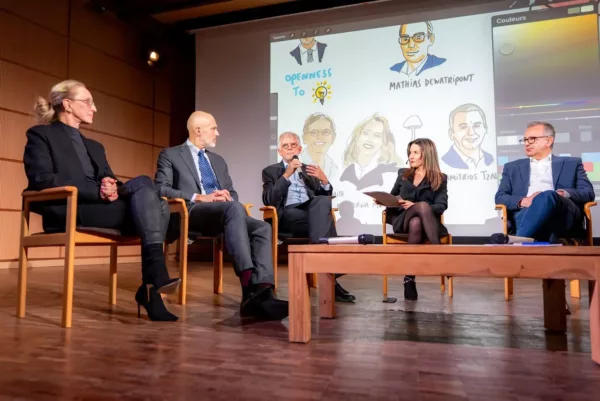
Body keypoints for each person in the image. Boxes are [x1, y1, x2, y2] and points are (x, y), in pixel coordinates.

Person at [23, 80, 180, 322]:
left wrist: (111, 186)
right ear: (67, 104)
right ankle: (153, 284)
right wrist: (98, 191)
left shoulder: (95, 146)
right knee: (159, 210)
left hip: (102, 207)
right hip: (69, 206)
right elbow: (41, 178)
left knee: (147, 190)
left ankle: (153, 283)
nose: (94, 108)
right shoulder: (41, 135)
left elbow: (109, 180)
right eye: (88, 102)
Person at [155, 111, 288, 321]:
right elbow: (161, 188)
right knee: (234, 209)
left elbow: (232, 193)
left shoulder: (218, 160)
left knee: (262, 227)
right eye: (214, 128)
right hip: (192, 211)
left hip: (224, 213)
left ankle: (264, 291)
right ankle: (248, 286)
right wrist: (201, 197)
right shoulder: (170, 155)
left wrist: (226, 196)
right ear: (198, 130)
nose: (218, 133)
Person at [262, 132, 355, 302]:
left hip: (309, 214)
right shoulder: (270, 171)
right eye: (285, 146)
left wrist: (324, 181)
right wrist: (287, 174)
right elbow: (269, 199)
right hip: (288, 214)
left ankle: (321, 264)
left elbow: (323, 201)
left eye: (293, 145)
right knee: (323, 219)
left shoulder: (308, 170)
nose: (289, 149)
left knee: (322, 201)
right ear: (280, 151)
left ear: (299, 149)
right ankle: (331, 278)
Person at [493, 121, 595, 243]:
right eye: (525, 140)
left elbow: (588, 193)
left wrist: (561, 194)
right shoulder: (512, 167)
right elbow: (500, 197)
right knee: (544, 223)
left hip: (563, 215)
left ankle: (517, 243)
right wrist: (523, 201)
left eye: (532, 139)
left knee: (547, 195)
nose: (527, 143)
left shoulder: (571, 163)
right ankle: (535, 243)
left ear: (548, 141)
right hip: (526, 214)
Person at [383, 138, 448, 300]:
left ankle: (409, 279)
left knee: (417, 220)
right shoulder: (403, 174)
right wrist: (384, 200)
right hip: (402, 220)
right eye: (410, 152)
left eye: (415, 153)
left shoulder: (440, 178)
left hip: (427, 225)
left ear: (427, 155)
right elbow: (393, 197)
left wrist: (416, 206)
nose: (410, 156)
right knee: (421, 207)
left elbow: (441, 206)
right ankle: (441, 256)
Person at [340, 113, 403, 191]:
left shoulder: (393, 173)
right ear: (357, 136)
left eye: (377, 135)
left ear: (384, 141)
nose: (370, 139)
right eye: (365, 133)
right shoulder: (343, 171)